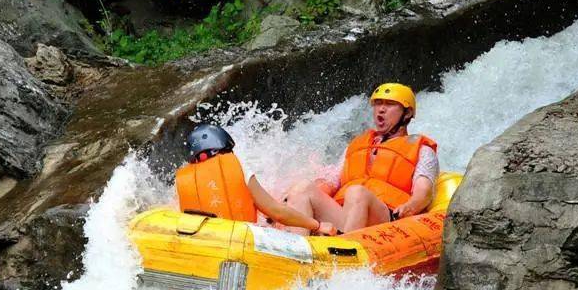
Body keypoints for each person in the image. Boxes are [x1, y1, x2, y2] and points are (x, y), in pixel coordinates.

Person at [283, 82, 439, 235]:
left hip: (387, 220)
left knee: (357, 193)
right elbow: (331, 181)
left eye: (390, 104)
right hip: (346, 215)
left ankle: (345, 251)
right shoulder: (357, 145)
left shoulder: (422, 150)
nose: (381, 109)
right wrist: (291, 199)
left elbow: (423, 192)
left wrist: (410, 207)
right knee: (302, 187)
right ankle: (296, 248)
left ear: (407, 113)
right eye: (378, 104)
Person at [175, 124, 338, 235]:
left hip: (207, 246)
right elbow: (278, 212)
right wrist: (317, 225)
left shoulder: (185, 180)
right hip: (241, 244)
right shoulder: (237, 167)